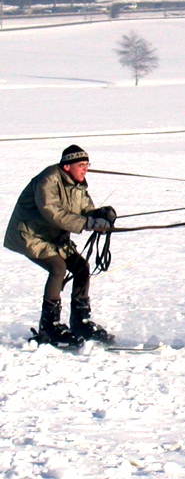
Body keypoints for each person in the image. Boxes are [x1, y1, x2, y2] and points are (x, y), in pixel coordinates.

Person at [4, 145, 116, 346]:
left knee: (82, 268)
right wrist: (86, 223)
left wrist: (99, 215)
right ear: (66, 166)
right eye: (80, 165)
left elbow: (85, 209)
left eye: (86, 165)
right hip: (30, 235)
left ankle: (80, 322)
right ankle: (49, 326)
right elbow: (52, 212)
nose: (85, 169)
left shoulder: (77, 184)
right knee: (58, 268)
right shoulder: (48, 180)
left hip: (53, 237)